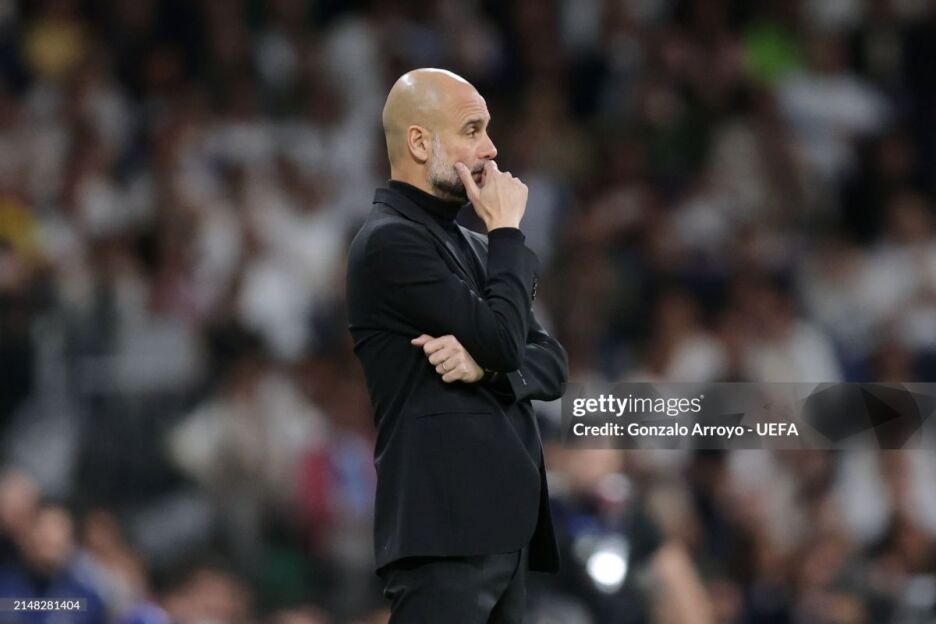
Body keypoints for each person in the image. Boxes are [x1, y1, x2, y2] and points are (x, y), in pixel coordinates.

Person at [346, 68, 568, 623]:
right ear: (420, 143)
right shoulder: (389, 242)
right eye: (472, 130)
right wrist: (508, 233)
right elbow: (506, 342)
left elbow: (552, 363)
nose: (491, 149)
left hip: (504, 533)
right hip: (444, 532)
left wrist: (484, 369)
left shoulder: (475, 243)